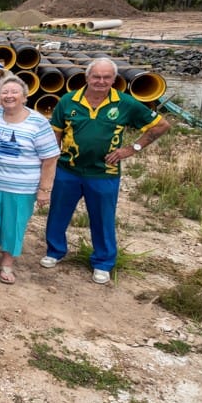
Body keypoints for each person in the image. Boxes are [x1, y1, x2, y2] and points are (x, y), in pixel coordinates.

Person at [42, 57, 170, 284]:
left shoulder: (125, 103)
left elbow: (161, 125)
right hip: (68, 169)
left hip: (104, 173)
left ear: (114, 79)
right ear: (87, 78)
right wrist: (50, 165)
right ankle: (55, 251)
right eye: (96, 77)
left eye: (106, 77)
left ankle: (103, 262)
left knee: (103, 218)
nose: (101, 81)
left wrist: (133, 148)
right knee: (58, 213)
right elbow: (56, 135)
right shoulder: (68, 101)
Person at [0, 74, 59, 284]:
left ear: (24, 96)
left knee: (14, 225)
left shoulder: (38, 122)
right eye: (4, 92)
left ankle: (6, 264)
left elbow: (50, 158)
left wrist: (44, 189)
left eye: (14, 92)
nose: (9, 96)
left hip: (21, 187)